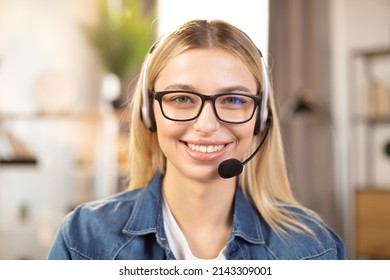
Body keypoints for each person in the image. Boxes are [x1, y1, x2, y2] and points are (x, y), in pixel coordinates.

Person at [48, 19, 345, 260]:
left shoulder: (313, 249)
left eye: (233, 99)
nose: (206, 124)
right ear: (149, 113)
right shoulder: (84, 240)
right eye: (181, 98)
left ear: (261, 118)